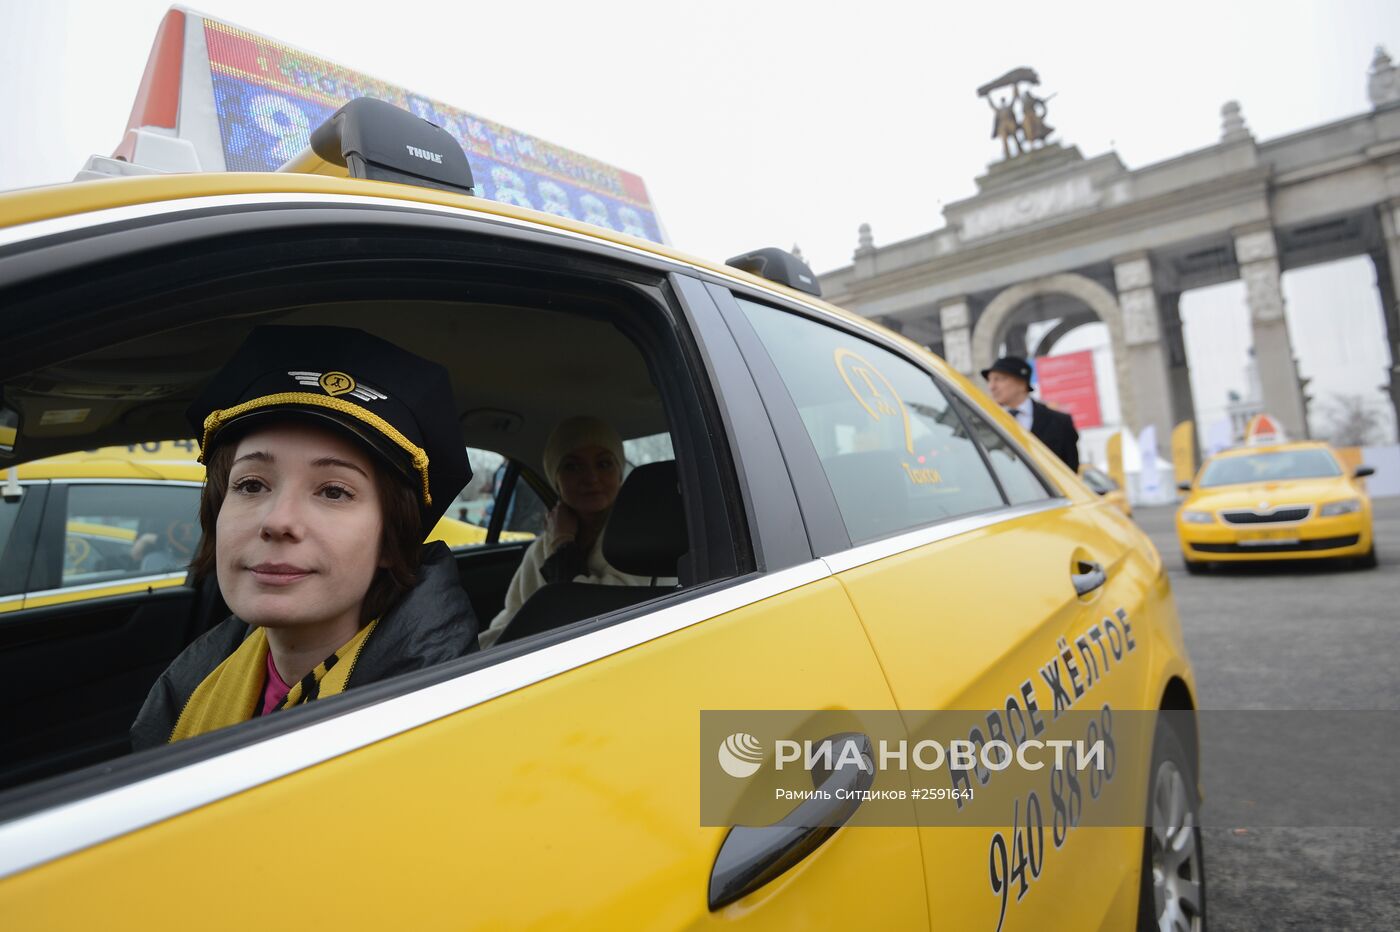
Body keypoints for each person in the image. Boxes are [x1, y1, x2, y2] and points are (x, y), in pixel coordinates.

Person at [131, 326, 478, 749]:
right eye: (252, 485)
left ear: (391, 540)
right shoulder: (189, 688)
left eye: (334, 491)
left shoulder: (442, 725)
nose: (278, 521)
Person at [478, 416, 654, 649]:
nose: (591, 478)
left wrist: (562, 544)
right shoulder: (539, 550)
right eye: (572, 466)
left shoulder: (644, 539)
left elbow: (590, 619)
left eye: (604, 464)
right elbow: (511, 621)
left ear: (620, 474)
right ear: (556, 481)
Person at [981, 355, 1080, 471]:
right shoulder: (985, 421)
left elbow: (1070, 470)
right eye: (990, 380)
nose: (992, 386)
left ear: (1022, 384)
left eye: (999, 379)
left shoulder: (1060, 422)